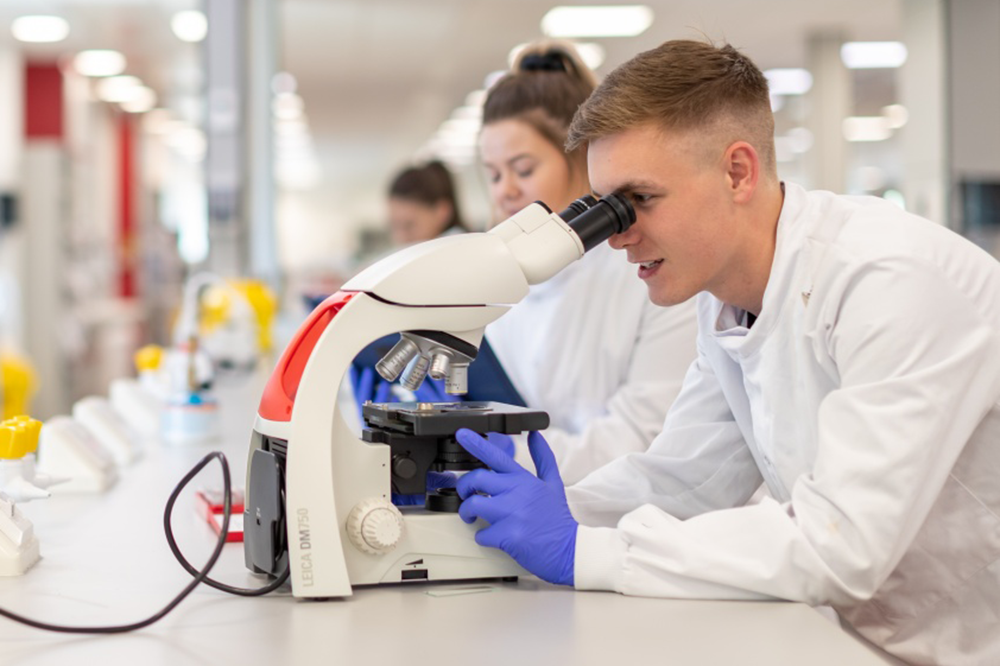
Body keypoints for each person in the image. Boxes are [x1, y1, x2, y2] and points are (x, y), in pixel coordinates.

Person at [453, 39, 1000, 666]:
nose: (617, 236)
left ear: (737, 171)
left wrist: (582, 549)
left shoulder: (891, 281)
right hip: (872, 638)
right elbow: (683, 479)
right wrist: (516, 514)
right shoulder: (726, 302)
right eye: (606, 207)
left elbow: (840, 546)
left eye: (638, 201)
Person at [476, 41, 698, 484]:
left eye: (522, 169)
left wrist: (500, 454)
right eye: (494, 174)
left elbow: (642, 440)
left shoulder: (650, 273)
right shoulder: (496, 287)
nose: (505, 191)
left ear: (581, 159)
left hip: (631, 520)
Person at [386, 160, 467, 246]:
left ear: (442, 211)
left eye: (409, 225)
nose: (401, 237)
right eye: (394, 226)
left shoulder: (461, 251)